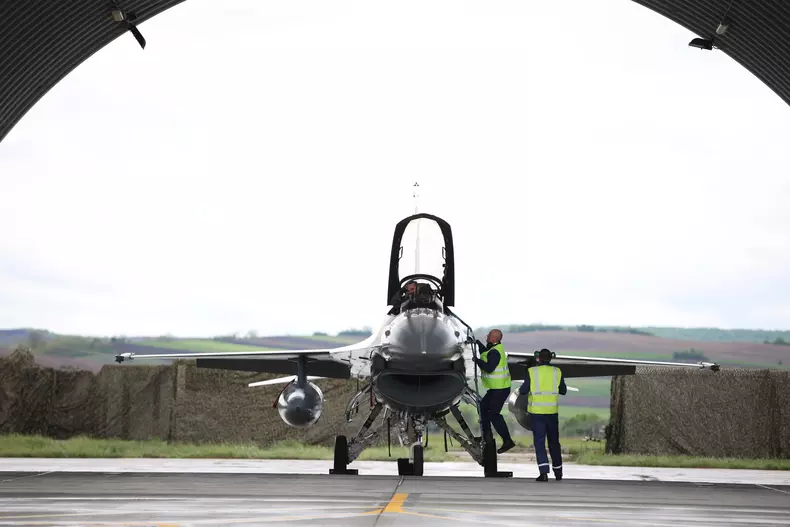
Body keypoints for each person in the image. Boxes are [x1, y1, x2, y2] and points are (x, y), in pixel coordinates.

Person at [519, 348, 567, 481]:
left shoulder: (532, 372)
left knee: (540, 443)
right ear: (551, 358)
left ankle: (544, 472)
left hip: (537, 414)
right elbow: (563, 391)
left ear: (539, 358)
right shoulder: (557, 372)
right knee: (554, 443)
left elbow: (523, 390)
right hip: (552, 413)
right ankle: (558, 473)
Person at [473, 329, 516, 454]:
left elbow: (489, 368)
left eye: (489, 335)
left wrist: (477, 361)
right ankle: (486, 436)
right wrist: (478, 343)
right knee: (482, 407)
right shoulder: (494, 348)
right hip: (497, 388)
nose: (487, 335)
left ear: (494, 338)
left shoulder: (495, 353)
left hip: (500, 389)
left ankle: (507, 441)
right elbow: (485, 353)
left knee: (493, 414)